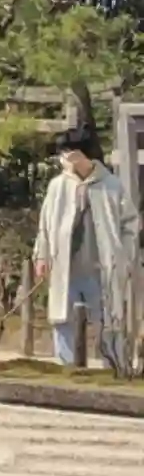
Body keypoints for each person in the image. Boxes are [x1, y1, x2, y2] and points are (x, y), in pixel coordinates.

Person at [32, 128, 140, 368]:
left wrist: (124, 255)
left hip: (101, 267)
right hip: (66, 266)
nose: (64, 158)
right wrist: (41, 256)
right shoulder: (58, 185)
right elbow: (45, 226)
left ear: (82, 154)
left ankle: (113, 367)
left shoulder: (111, 185)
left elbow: (131, 224)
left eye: (68, 153)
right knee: (63, 319)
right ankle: (67, 367)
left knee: (109, 320)